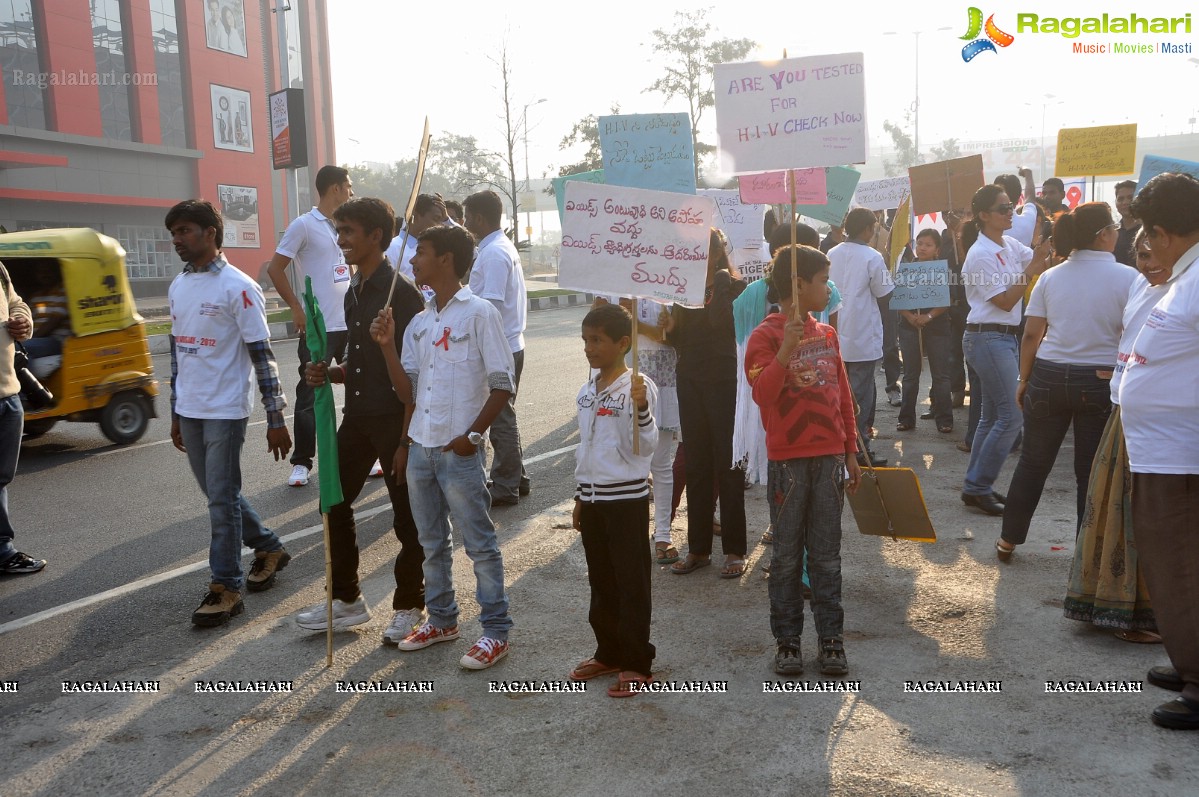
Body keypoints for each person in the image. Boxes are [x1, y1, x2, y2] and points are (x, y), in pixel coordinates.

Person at [292, 197, 428, 643]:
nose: (341, 240)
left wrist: (407, 441)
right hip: (358, 418)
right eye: (339, 231)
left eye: (349, 231)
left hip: (395, 420)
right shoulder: (354, 290)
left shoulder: (402, 295)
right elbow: (359, 361)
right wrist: (329, 372)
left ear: (377, 236)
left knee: (407, 517)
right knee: (333, 502)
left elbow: (414, 374)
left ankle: (411, 604)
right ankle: (347, 599)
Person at [166, 199, 292, 627]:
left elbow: (263, 355)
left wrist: (276, 417)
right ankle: (270, 546)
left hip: (225, 408)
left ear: (210, 233)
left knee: (221, 498)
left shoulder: (238, 287)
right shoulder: (179, 286)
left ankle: (226, 587)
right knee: (221, 494)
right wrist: (175, 412)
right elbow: (177, 354)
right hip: (191, 408)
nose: (177, 240)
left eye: (184, 231)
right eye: (174, 233)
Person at [396, 224, 515, 670]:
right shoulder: (420, 321)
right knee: (431, 542)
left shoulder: (480, 313)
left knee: (479, 544)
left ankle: (496, 631)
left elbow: (503, 385)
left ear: (445, 259)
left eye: (420, 252)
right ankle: (442, 620)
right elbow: (408, 389)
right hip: (421, 448)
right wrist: (405, 443)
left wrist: (473, 437)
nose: (412, 261)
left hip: (458, 452)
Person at [745, 244, 861, 676]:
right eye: (822, 280)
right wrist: (784, 350)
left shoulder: (828, 334)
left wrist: (850, 450)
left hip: (830, 461)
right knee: (788, 557)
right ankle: (788, 641)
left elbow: (843, 395)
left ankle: (831, 639)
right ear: (798, 285)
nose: (828, 288)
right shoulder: (765, 337)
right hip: (788, 465)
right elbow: (762, 394)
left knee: (827, 557)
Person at [997, 203, 1137, 559]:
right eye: (1114, 228)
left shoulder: (1050, 276)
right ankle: (1085, 554)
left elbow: (1031, 335)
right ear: (1104, 234)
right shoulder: (1129, 278)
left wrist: (1023, 379)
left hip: (1048, 374)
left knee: (1032, 462)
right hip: (1100, 381)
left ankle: (1007, 539)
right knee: (1090, 472)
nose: (1117, 233)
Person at [1118, 172, 1199, 730]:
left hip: (1181, 455)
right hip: (1162, 450)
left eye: (1149, 230)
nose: (1145, 242)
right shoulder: (1184, 277)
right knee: (1171, 563)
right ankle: (1188, 659)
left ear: (1167, 233)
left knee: (1181, 568)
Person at [1065, 231, 1167, 640]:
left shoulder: (1183, 288)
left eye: (1157, 254)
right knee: (1128, 510)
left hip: (1155, 414)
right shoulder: (1142, 286)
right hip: (1131, 413)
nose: (1149, 263)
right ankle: (1126, 615)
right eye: (1142, 254)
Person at [569, 303, 659, 697]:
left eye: (597, 341)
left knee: (631, 583)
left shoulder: (638, 386)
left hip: (626, 501)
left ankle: (637, 661)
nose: (589, 348)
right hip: (592, 500)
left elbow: (642, 449)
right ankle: (608, 652)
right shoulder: (587, 391)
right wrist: (579, 497)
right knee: (602, 581)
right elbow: (585, 450)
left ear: (624, 343)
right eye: (586, 340)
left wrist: (641, 409)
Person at [958, 185, 1051, 516]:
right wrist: (1032, 267)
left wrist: (1050, 245)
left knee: (992, 416)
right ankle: (978, 485)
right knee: (1011, 415)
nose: (1010, 212)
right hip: (986, 337)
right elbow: (1005, 300)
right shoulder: (979, 253)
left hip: (1001, 337)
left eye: (1011, 206)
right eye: (1002, 208)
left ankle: (975, 485)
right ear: (984, 216)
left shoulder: (1008, 244)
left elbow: (1042, 259)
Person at [666, 229, 748, 579]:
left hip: (724, 381)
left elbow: (723, 323)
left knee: (727, 467)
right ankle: (698, 548)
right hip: (690, 379)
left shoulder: (734, 288)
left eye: (701, 251)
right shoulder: (681, 290)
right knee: (697, 463)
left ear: (716, 253)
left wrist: (718, 281)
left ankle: (734, 550)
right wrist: (669, 326)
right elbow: (676, 338)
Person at [267, 165, 354, 488]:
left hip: (350, 321)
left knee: (359, 388)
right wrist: (296, 307)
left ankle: (366, 453)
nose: (351, 192)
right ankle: (302, 462)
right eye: (349, 186)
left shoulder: (347, 225)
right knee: (309, 394)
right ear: (334, 188)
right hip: (319, 325)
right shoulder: (304, 225)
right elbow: (275, 269)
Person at [463, 190, 529, 506]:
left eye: (465, 216)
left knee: (500, 417)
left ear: (478, 218)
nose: (463, 222)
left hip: (500, 347)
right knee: (504, 415)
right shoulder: (497, 247)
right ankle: (517, 477)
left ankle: (505, 486)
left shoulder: (492, 254)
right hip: (508, 344)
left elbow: (490, 306)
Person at [827, 207, 893, 467]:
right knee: (860, 396)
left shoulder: (832, 252)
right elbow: (884, 292)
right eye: (873, 227)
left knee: (842, 393)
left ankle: (846, 443)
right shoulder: (872, 256)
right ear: (867, 229)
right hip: (862, 335)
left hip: (837, 332)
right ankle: (860, 447)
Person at [0, 263, 44, 574]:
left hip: (8, 393)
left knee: (1, 479)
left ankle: (2, 550)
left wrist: (23, 321)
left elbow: (15, 301)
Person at [896, 229, 954, 434]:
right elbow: (898, 300)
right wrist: (911, 317)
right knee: (911, 375)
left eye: (928, 244)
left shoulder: (943, 271)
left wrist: (928, 316)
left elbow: (946, 302)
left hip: (937, 328)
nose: (922, 247)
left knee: (941, 376)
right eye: (920, 243)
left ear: (937, 249)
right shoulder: (906, 269)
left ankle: (944, 419)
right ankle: (906, 418)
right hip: (909, 328)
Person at [385, 193, 449, 281]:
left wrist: (447, 220)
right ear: (416, 215)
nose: (439, 226)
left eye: (442, 221)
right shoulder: (391, 248)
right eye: (436, 219)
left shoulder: (436, 251)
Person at [23, 268, 69, 377]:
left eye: (49, 270)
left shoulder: (63, 291)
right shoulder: (36, 297)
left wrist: (30, 338)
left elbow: (54, 321)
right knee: (17, 351)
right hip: (38, 340)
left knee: (21, 347)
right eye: (41, 271)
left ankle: (24, 391)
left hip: (56, 340)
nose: (45, 274)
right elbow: (27, 319)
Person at [1113, 180, 1140, 267]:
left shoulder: (1149, 231)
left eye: (1130, 198)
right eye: (1120, 199)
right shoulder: (1113, 233)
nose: (1125, 202)